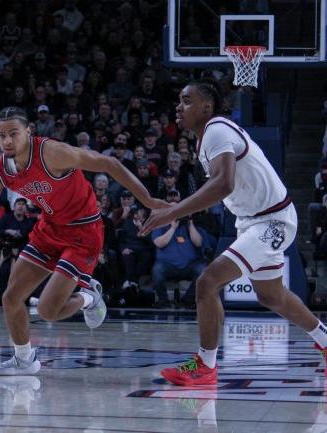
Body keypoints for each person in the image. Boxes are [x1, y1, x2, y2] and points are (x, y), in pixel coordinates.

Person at [0, 106, 165, 376]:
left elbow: (110, 164)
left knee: (48, 311)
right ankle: (24, 359)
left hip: (84, 231)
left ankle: (89, 297)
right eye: (1, 135)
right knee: (10, 298)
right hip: (50, 228)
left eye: (14, 134)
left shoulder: (52, 153)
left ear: (28, 132)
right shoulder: (0, 171)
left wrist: (148, 201)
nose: (7, 141)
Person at [140, 79, 327, 386]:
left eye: (187, 101)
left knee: (207, 283)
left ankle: (206, 365)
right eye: (179, 100)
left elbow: (223, 184)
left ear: (207, 107)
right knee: (272, 296)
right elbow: (223, 185)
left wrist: (172, 212)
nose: (179, 106)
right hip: (254, 221)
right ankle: (325, 340)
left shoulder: (217, 129)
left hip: (272, 220)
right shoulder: (207, 138)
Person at [150, 189, 206, 308]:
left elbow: (198, 243)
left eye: (178, 210)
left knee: (202, 270)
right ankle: (163, 301)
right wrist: (172, 228)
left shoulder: (190, 224)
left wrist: (190, 222)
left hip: (190, 265)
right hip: (167, 265)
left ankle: (188, 300)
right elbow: (159, 243)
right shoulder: (160, 224)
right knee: (157, 270)